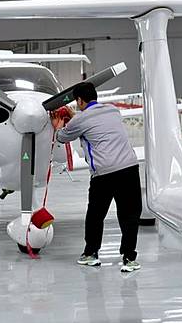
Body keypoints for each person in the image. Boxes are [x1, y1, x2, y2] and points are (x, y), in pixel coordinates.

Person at [52, 82, 142, 272]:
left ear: (79, 100)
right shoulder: (112, 111)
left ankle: (91, 254)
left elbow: (62, 137)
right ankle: (129, 258)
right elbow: (92, 123)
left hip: (104, 173)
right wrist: (77, 116)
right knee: (129, 215)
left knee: (95, 215)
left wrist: (57, 125)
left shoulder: (79, 120)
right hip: (129, 167)